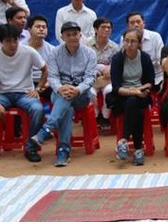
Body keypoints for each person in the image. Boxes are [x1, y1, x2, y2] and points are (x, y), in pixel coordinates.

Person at [31, 21, 97, 167]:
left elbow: (90, 78)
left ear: (80, 35)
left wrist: (77, 89)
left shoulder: (90, 54)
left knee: (66, 101)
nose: (72, 37)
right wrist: (61, 88)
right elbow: (52, 76)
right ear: (62, 37)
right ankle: (63, 150)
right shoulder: (55, 53)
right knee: (66, 106)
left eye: (75, 34)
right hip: (60, 92)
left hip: (81, 95)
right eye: (68, 35)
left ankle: (47, 129)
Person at [0, 24, 47, 163]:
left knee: (38, 109)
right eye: (8, 41)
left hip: (25, 93)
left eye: (15, 40)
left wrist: (38, 89)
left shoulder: (29, 52)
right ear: (0, 41)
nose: (13, 44)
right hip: (3, 94)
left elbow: (45, 70)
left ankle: (31, 147)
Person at [110, 28, 155, 166]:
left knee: (134, 103)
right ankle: (138, 149)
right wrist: (133, 92)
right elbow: (116, 88)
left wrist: (139, 90)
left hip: (141, 93)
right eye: (126, 41)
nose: (129, 44)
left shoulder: (145, 58)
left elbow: (150, 82)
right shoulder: (117, 59)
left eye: (133, 41)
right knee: (134, 104)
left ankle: (123, 141)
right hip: (122, 96)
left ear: (139, 44)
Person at [85, 17, 119, 129]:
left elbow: (117, 65)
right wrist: (100, 68)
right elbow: (82, 64)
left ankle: (105, 117)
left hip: (107, 80)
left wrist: (111, 69)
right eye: (103, 27)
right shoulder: (86, 45)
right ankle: (95, 115)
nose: (106, 30)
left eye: (109, 28)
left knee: (110, 91)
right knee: (90, 93)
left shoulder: (114, 47)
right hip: (90, 79)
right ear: (95, 29)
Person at [125, 12, 164, 87]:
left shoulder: (155, 37)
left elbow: (161, 60)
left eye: (138, 22)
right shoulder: (124, 39)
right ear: (128, 26)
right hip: (133, 78)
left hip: (156, 76)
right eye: (132, 23)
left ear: (144, 23)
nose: (136, 25)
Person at [26, 15, 55, 100]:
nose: (41, 29)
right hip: (26, 84)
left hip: (47, 84)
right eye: (38, 27)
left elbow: (55, 72)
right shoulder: (20, 48)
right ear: (29, 30)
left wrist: (46, 85)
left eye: (44, 27)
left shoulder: (53, 50)